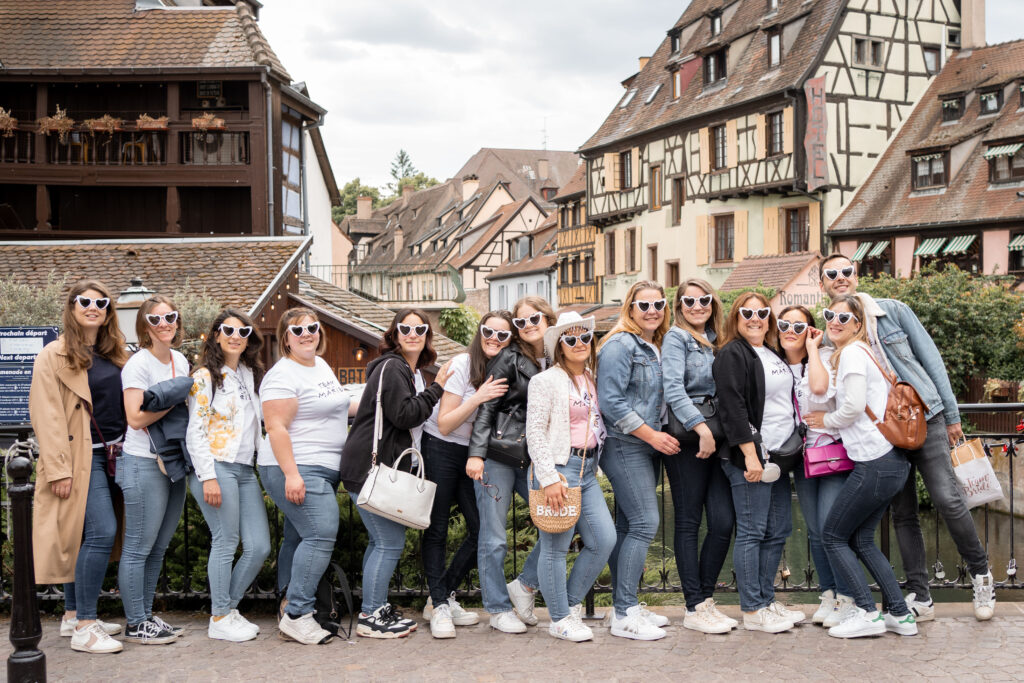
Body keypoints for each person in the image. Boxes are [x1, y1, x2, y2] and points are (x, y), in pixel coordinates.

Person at [817, 253, 995, 621]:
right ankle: (920, 594)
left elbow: (931, 359)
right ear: (822, 284)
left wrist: (950, 414)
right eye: (831, 274)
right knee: (903, 513)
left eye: (846, 271)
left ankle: (981, 574)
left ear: (857, 275)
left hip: (924, 416)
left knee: (947, 499)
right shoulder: (833, 328)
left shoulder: (892, 311)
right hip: (884, 433)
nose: (840, 277)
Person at [803, 295, 918, 638]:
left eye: (844, 318)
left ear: (858, 324)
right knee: (864, 540)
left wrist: (827, 420)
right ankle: (900, 613)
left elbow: (852, 407)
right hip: (891, 463)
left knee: (833, 536)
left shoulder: (853, 353)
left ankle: (868, 613)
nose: (835, 322)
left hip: (875, 463)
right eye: (830, 316)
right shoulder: (863, 352)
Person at [341, 309, 454, 639]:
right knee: (390, 542)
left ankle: (375, 607)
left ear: (426, 335)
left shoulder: (408, 370)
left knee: (381, 542)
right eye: (405, 327)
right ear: (395, 332)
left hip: (370, 466)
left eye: (420, 328)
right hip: (367, 467)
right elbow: (404, 415)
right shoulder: (393, 367)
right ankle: (370, 615)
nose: (413, 333)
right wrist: (438, 388)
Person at [29, 280, 129, 654]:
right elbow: (47, 415)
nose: (93, 307)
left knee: (83, 536)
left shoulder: (114, 353)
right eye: (84, 301)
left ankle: (73, 614)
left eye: (101, 302)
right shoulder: (53, 355)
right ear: (71, 307)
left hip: (114, 455)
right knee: (102, 531)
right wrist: (58, 470)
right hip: (79, 459)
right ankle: (87, 626)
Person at [259, 307, 356, 645]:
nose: (306, 334)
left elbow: (338, 406)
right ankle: (299, 613)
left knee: (299, 537)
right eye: (297, 330)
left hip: (323, 467)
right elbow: (275, 427)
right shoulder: (282, 375)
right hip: (297, 466)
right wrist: (292, 475)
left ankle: (288, 604)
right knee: (321, 532)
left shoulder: (320, 366)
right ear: (285, 337)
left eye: (312, 328)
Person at [712, 292, 804, 633]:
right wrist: (751, 455)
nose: (756, 317)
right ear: (736, 317)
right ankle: (752, 609)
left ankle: (766, 600)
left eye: (762, 312)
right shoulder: (733, 352)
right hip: (751, 458)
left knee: (778, 530)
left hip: (780, 458)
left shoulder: (771, 351)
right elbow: (732, 407)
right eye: (747, 312)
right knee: (752, 531)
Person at [420, 311, 511, 638]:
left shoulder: (505, 369)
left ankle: (440, 594)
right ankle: (441, 606)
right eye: (489, 331)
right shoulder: (462, 364)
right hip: (441, 446)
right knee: (438, 527)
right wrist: (479, 397)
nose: (495, 339)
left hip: (473, 454)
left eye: (503, 335)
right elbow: (445, 422)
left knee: (482, 528)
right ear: (480, 331)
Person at [526, 312, 616, 642]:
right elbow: (534, 431)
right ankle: (560, 617)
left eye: (584, 337)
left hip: (588, 470)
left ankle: (570, 604)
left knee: (603, 539)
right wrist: (548, 477)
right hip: (559, 470)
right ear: (560, 346)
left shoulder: (591, 377)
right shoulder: (545, 380)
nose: (579, 343)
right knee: (555, 547)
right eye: (570, 339)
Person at [467, 297, 554, 633]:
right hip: (499, 456)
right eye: (521, 322)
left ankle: (523, 585)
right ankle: (498, 608)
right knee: (494, 537)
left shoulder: (558, 355)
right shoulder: (508, 357)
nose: (528, 325)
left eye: (535, 318)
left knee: (557, 524)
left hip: (536, 458)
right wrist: (476, 453)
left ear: (547, 319)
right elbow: (487, 407)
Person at [596, 280, 674, 640]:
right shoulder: (619, 344)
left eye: (658, 304)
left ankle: (623, 604)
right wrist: (652, 435)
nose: (652, 311)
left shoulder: (654, 344)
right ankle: (625, 613)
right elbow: (611, 402)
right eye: (644, 305)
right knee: (646, 523)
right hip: (626, 444)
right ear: (630, 308)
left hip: (644, 444)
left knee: (629, 527)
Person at [186, 309, 270, 642]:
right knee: (226, 541)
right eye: (228, 330)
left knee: (259, 546)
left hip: (245, 469)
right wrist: (207, 476)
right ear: (216, 335)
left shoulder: (250, 374)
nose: (236, 336)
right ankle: (220, 615)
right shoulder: (205, 377)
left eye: (243, 331)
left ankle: (227, 609)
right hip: (217, 466)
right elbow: (196, 430)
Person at [661, 279, 737, 634]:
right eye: (688, 300)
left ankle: (705, 600)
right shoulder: (677, 338)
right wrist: (700, 428)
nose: (696, 305)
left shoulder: (717, 339)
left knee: (723, 521)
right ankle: (694, 605)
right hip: (689, 440)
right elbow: (672, 387)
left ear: (712, 302)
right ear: (678, 305)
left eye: (703, 299)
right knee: (689, 521)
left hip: (718, 437)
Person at [119, 294, 190, 644]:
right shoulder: (138, 364)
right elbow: (134, 418)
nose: (165, 325)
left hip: (173, 460)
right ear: (144, 326)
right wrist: (176, 399)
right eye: (156, 320)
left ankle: (146, 615)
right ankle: (135, 622)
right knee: (138, 547)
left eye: (170, 317)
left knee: (159, 546)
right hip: (143, 462)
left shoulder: (180, 360)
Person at [776, 305, 852, 627]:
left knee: (830, 527)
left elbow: (820, 389)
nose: (790, 330)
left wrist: (812, 350)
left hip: (830, 453)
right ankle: (828, 593)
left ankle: (846, 597)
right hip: (798, 457)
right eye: (784, 324)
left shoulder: (823, 359)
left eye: (799, 325)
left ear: (810, 329)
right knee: (815, 529)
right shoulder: (771, 365)